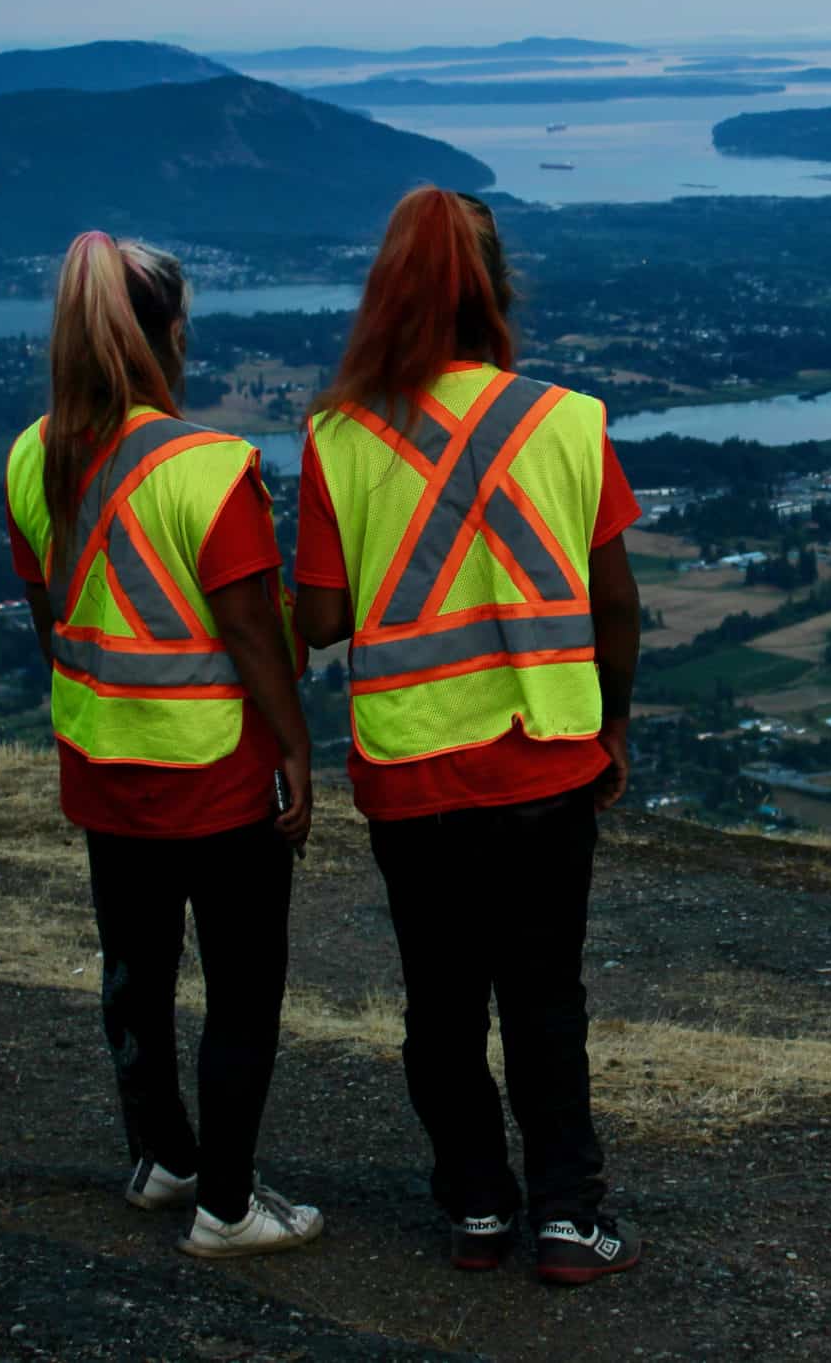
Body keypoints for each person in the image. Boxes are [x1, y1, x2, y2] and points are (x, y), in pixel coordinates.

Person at [293, 186, 644, 1287]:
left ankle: (477, 1204)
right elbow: (614, 602)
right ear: (495, 288)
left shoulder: (338, 436)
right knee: (545, 996)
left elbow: (320, 620)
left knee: (440, 1002)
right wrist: (614, 722)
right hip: (545, 758)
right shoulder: (566, 421)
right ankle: (567, 1218)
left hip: (412, 770)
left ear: (382, 292)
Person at [3, 231, 323, 1260]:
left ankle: (161, 1159)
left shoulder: (32, 453)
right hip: (217, 777)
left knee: (135, 972)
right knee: (242, 989)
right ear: (172, 334)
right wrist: (296, 749)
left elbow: (51, 624)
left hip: (104, 768)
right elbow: (252, 637)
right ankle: (228, 1206)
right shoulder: (209, 467)